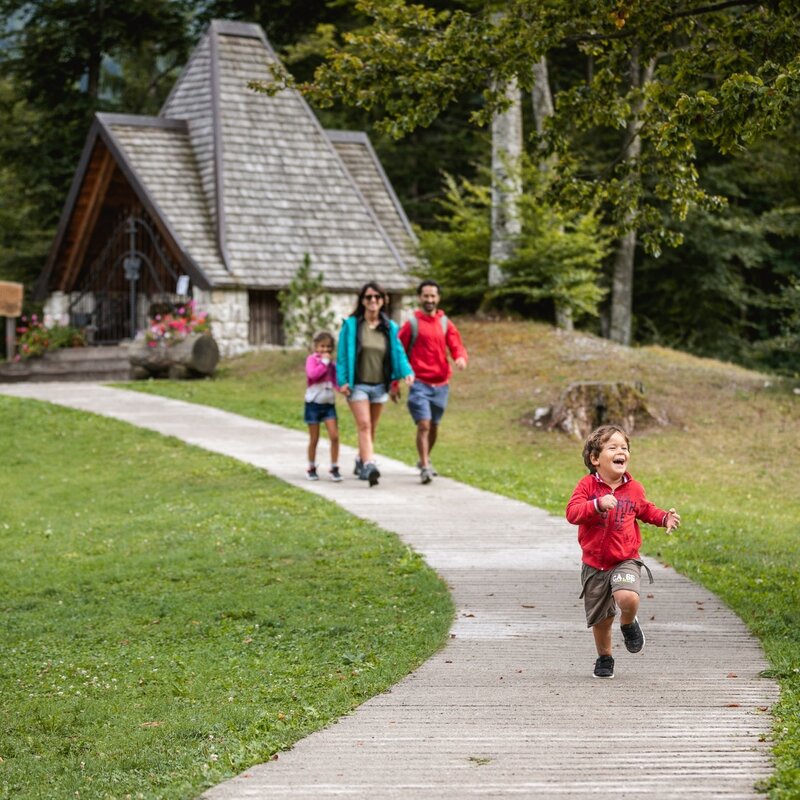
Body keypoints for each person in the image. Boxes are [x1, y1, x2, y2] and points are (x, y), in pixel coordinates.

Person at [565, 424, 680, 679]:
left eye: (624, 448)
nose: (621, 452)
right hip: (594, 565)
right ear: (595, 459)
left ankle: (628, 622)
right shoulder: (586, 486)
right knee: (601, 620)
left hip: (625, 559)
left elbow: (646, 510)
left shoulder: (634, 488)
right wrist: (596, 504)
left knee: (627, 597)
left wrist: (664, 518)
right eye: (613, 447)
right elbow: (572, 513)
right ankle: (605, 657)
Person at [337, 282, 414, 487]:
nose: (373, 301)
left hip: (380, 385)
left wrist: (406, 371)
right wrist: (343, 381)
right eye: (369, 297)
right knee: (364, 425)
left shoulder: (389, 327)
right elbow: (342, 356)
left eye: (377, 297)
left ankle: (360, 459)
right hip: (358, 385)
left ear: (383, 301)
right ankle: (370, 465)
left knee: (371, 428)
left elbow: (398, 352)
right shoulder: (351, 325)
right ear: (362, 301)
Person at [398, 280, 467, 484]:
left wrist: (460, 357)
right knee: (424, 424)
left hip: (441, 383)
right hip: (419, 382)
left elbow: (456, 344)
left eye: (433, 296)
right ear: (420, 298)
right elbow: (398, 351)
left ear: (438, 298)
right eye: (426, 296)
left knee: (434, 425)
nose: (429, 299)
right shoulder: (412, 324)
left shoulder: (445, 322)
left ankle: (424, 459)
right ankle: (426, 465)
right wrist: (396, 381)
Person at [304, 330, 342, 482]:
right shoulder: (312, 360)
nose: (325, 350)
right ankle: (311, 467)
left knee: (334, 436)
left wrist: (343, 389)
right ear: (315, 347)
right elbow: (313, 375)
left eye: (328, 347)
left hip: (328, 404)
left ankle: (334, 467)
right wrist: (324, 363)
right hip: (313, 404)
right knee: (314, 438)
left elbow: (335, 380)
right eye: (322, 346)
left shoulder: (332, 364)